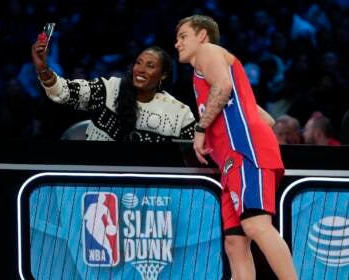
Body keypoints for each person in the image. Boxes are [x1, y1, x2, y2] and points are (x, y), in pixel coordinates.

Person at [175, 15, 297, 279]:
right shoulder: (207, 74)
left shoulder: (209, 52)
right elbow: (267, 119)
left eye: (183, 36)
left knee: (256, 225)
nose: (177, 43)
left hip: (246, 152)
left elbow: (223, 86)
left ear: (202, 36)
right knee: (235, 244)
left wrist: (200, 130)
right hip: (235, 160)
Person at [31, 35, 196, 142]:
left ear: (163, 75)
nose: (140, 69)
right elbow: (64, 92)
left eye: (150, 66)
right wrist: (43, 69)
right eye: (138, 63)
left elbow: (193, 154)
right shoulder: (108, 89)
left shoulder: (180, 114)